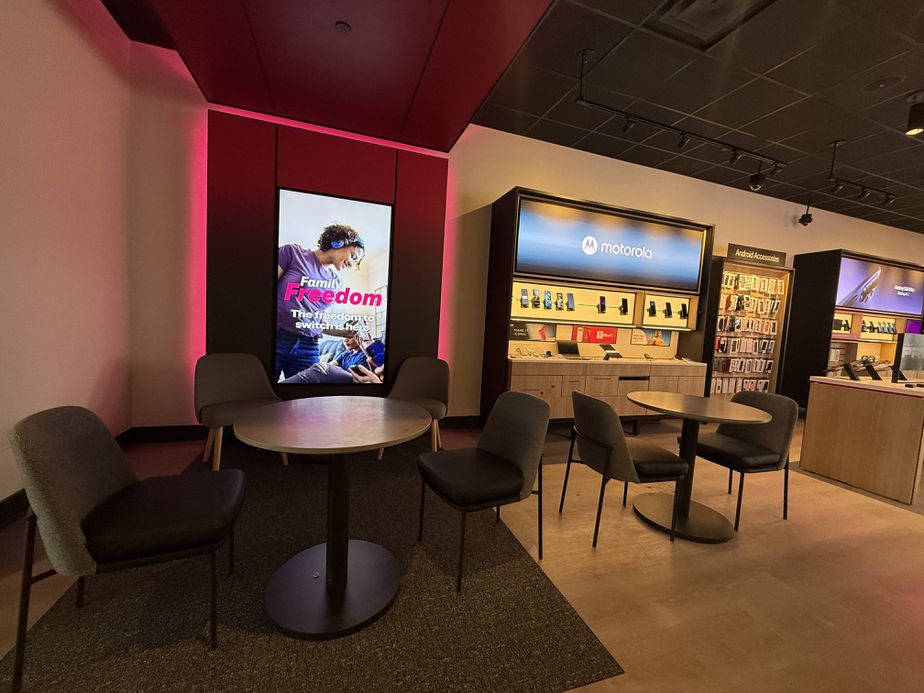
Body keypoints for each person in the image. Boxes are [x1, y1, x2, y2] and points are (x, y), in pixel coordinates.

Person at [275, 224, 365, 380]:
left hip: (309, 347)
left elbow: (316, 321)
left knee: (307, 400)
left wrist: (343, 332)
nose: (352, 264)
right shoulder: (293, 253)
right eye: (353, 256)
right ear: (339, 242)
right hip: (277, 338)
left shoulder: (335, 282)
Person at [280, 331, 370, 384]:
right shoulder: (346, 353)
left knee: (322, 368)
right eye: (344, 337)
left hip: (353, 380)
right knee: (320, 367)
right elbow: (330, 365)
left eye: (350, 337)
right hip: (340, 377)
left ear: (359, 337)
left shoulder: (364, 355)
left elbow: (360, 377)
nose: (345, 340)